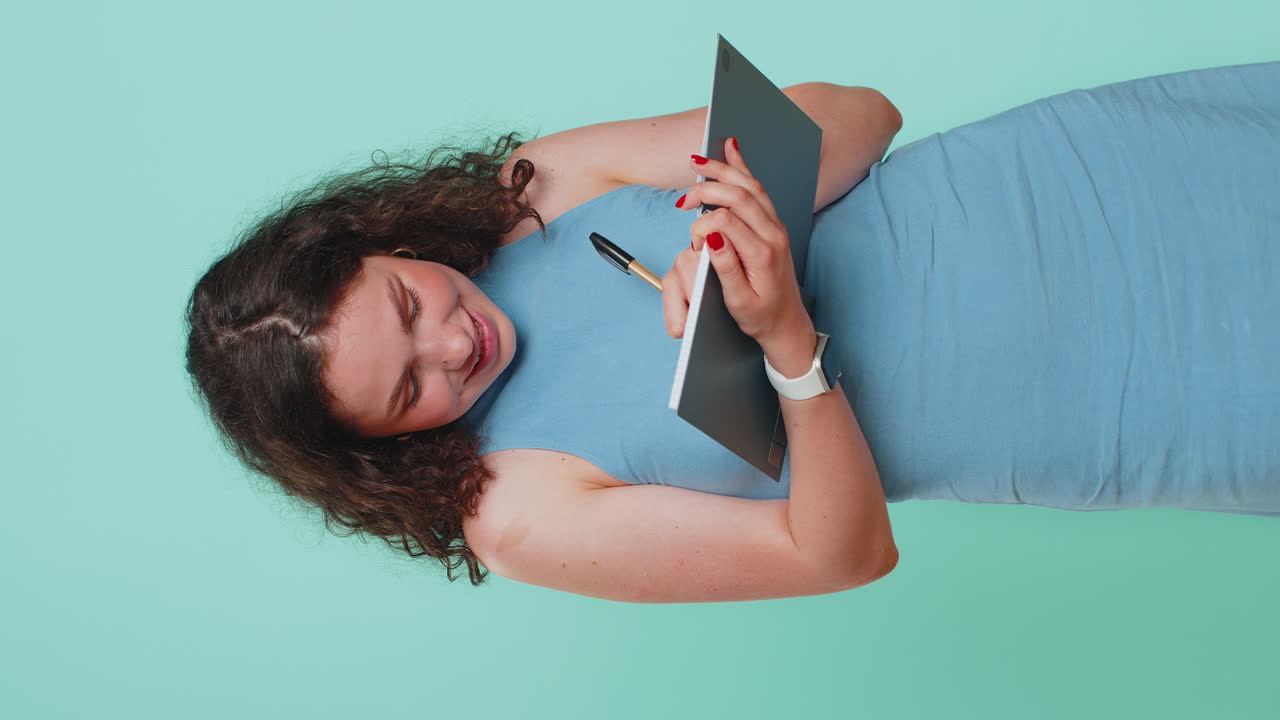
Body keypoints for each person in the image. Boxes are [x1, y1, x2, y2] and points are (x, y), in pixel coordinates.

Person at [186, 62, 1280, 604]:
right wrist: (787, 347)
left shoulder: (534, 186)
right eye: (408, 389)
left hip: (1083, 182)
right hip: (1104, 396)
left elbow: (863, 111)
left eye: (409, 306)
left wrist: (739, 216)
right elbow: (839, 553)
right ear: (378, 448)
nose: (451, 346)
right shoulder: (512, 509)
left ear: (377, 241)